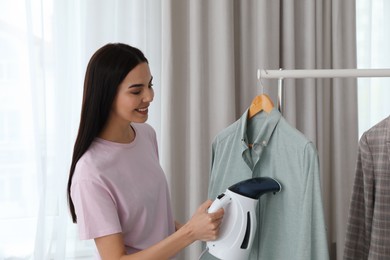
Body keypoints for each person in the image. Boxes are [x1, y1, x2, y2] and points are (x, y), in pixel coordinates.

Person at [66, 43, 224, 260]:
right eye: (136, 90)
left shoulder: (145, 135)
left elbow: (150, 225)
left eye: (150, 85)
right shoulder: (90, 172)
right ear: (107, 94)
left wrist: (197, 226)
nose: (149, 96)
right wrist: (190, 232)